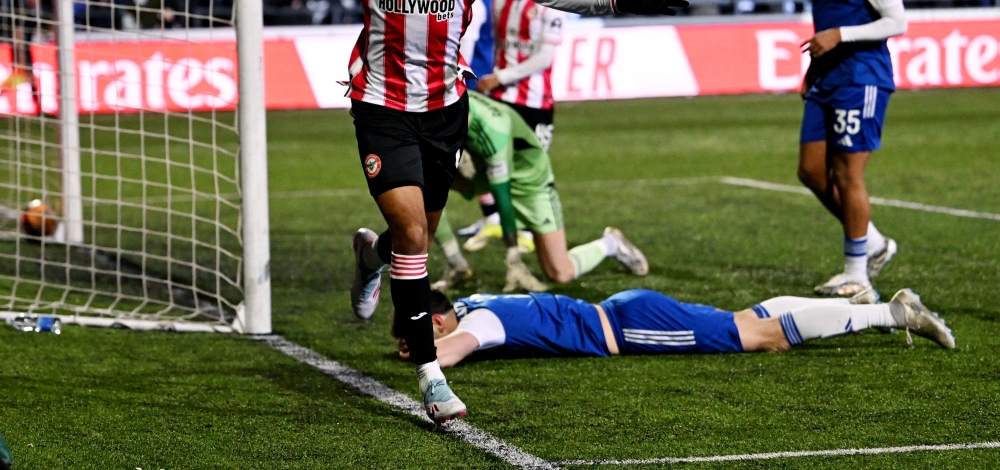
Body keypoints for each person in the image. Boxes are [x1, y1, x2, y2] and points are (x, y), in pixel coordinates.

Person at [172, 0, 689, 424]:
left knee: (410, 239)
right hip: (381, 105)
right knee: (416, 237)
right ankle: (430, 375)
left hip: (446, 110)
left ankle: (372, 257)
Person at [797, 0, 906, 298]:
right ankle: (874, 242)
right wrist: (814, 66)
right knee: (810, 170)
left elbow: (897, 22)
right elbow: (825, 18)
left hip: (862, 76)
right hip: (828, 75)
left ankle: (857, 274)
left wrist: (839, 36)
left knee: (847, 173)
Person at [395, 286, 954, 367]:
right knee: (750, 320)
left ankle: (890, 315)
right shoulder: (473, 298)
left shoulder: (479, 318)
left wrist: (424, 355)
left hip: (632, 328)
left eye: (420, 330)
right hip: (624, 311)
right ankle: (861, 304)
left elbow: (455, 351)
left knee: (766, 337)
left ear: (438, 319)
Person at [433, 91, 649, 293]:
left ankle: (611, 243)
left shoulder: (493, 129)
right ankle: (456, 263)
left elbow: (503, 196)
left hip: (529, 179)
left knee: (560, 272)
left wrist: (513, 255)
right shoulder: (447, 102)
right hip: (485, 168)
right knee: (423, 184)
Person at [460, 0, 564, 246]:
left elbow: (544, 58)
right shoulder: (500, 2)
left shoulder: (551, 5)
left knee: (533, 166)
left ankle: (534, 229)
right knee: (488, 160)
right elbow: (500, 49)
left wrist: (500, 77)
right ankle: (496, 219)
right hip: (503, 99)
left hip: (535, 102)